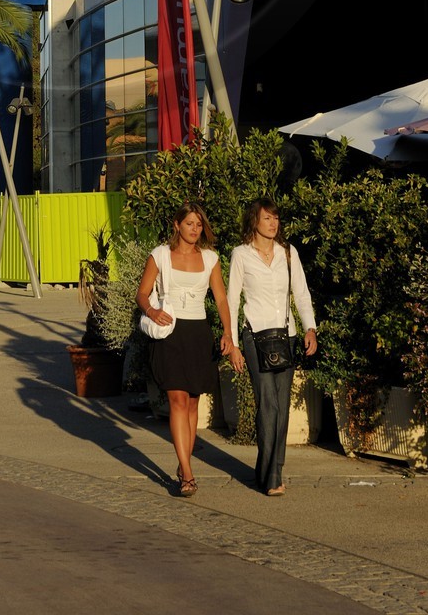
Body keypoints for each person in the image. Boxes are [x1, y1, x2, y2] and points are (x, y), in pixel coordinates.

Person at [136, 202, 233, 498]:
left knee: (192, 403)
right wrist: (152, 311)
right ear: (177, 225)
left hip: (198, 334)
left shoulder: (211, 259)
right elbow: (141, 293)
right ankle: (188, 474)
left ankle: (183, 462)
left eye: (199, 224)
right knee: (177, 399)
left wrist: (229, 333)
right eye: (190, 223)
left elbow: (220, 300)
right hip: (170, 333)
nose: (195, 229)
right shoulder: (160, 255)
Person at [228, 198, 318, 496]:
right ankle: (273, 476)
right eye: (267, 218)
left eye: (276, 218)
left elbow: (301, 294)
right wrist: (232, 342)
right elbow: (231, 300)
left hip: (287, 335)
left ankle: (268, 468)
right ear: (254, 221)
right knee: (268, 404)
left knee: (281, 408)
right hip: (254, 337)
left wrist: (310, 328)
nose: (273, 223)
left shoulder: (288, 254)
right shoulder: (240, 255)